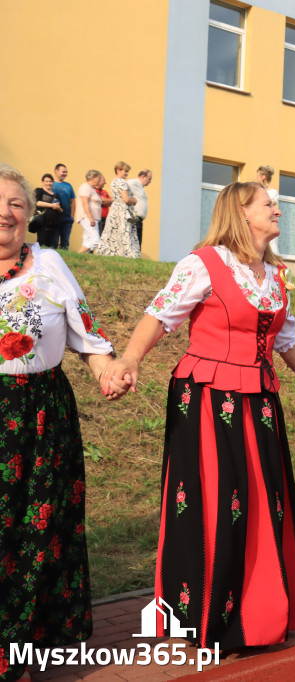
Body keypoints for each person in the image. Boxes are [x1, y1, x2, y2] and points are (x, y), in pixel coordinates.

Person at [102, 182, 295, 650]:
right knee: (217, 499)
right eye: (269, 204)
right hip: (208, 397)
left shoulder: (276, 273)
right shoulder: (204, 263)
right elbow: (161, 316)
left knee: (265, 501)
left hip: (260, 398)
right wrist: (129, 359)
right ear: (242, 213)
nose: (279, 210)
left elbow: (283, 337)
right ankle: (208, 615)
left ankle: (259, 610)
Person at [0, 164, 118, 680]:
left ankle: (21, 641)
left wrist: (107, 369)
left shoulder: (49, 264)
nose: (6, 212)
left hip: (41, 411)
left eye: (16, 204)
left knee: (37, 527)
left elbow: (83, 331)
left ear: (31, 215)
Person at [94, 162, 141, 258]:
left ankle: (110, 252)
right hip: (123, 211)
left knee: (112, 233)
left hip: (115, 210)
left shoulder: (114, 182)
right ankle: (128, 254)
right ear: (118, 170)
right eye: (125, 171)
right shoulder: (122, 182)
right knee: (125, 232)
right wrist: (134, 200)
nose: (127, 173)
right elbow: (126, 199)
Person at [32, 173, 63, 248]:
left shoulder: (56, 195)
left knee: (52, 245)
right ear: (43, 182)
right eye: (47, 181)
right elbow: (37, 203)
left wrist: (58, 208)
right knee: (41, 242)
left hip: (54, 223)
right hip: (43, 221)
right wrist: (52, 205)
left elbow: (61, 211)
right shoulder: (39, 190)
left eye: (50, 181)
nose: (49, 183)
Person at [76, 169, 103, 253]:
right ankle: (79, 253)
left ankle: (82, 257)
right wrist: (90, 218)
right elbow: (85, 203)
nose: (99, 181)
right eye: (98, 178)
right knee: (95, 240)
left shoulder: (92, 189)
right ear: (92, 177)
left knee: (87, 239)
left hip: (93, 218)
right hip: (87, 217)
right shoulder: (85, 187)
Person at [51, 163, 75, 250]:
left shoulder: (68, 186)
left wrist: (72, 216)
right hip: (55, 217)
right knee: (54, 241)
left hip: (67, 217)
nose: (65, 174)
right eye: (63, 172)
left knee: (65, 242)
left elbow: (73, 201)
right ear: (56, 171)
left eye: (66, 172)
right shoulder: (51, 184)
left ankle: (65, 259)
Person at [127, 168, 152, 248]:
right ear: (143, 176)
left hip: (139, 219)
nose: (150, 181)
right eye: (149, 179)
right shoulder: (132, 183)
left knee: (138, 241)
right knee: (134, 241)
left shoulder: (141, 187)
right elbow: (124, 192)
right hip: (134, 217)